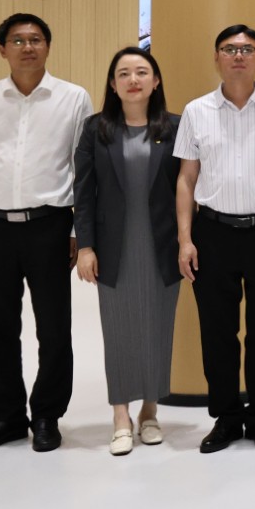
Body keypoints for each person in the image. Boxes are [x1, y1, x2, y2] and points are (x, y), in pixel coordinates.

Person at [0, 13, 92, 454]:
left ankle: (47, 414)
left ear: (47, 46)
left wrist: (78, 229)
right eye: (17, 40)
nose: (27, 47)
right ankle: (7, 417)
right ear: (2, 49)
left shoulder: (73, 98)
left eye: (35, 40)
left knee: (54, 327)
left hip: (50, 226)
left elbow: (83, 169)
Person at [175, 25, 255, 453]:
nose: (239, 56)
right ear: (217, 58)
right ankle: (226, 418)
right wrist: (185, 239)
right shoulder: (196, 111)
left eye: (247, 49)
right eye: (229, 49)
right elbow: (186, 179)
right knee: (217, 332)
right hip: (212, 233)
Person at [73, 47, 182, 455]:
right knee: (117, 330)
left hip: (162, 245)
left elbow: (188, 187)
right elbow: (83, 191)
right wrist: (85, 246)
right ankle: (121, 416)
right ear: (113, 84)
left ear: (156, 81)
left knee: (157, 327)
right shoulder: (96, 129)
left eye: (141, 72)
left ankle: (150, 411)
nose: (133, 80)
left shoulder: (175, 127)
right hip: (113, 247)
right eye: (123, 73)